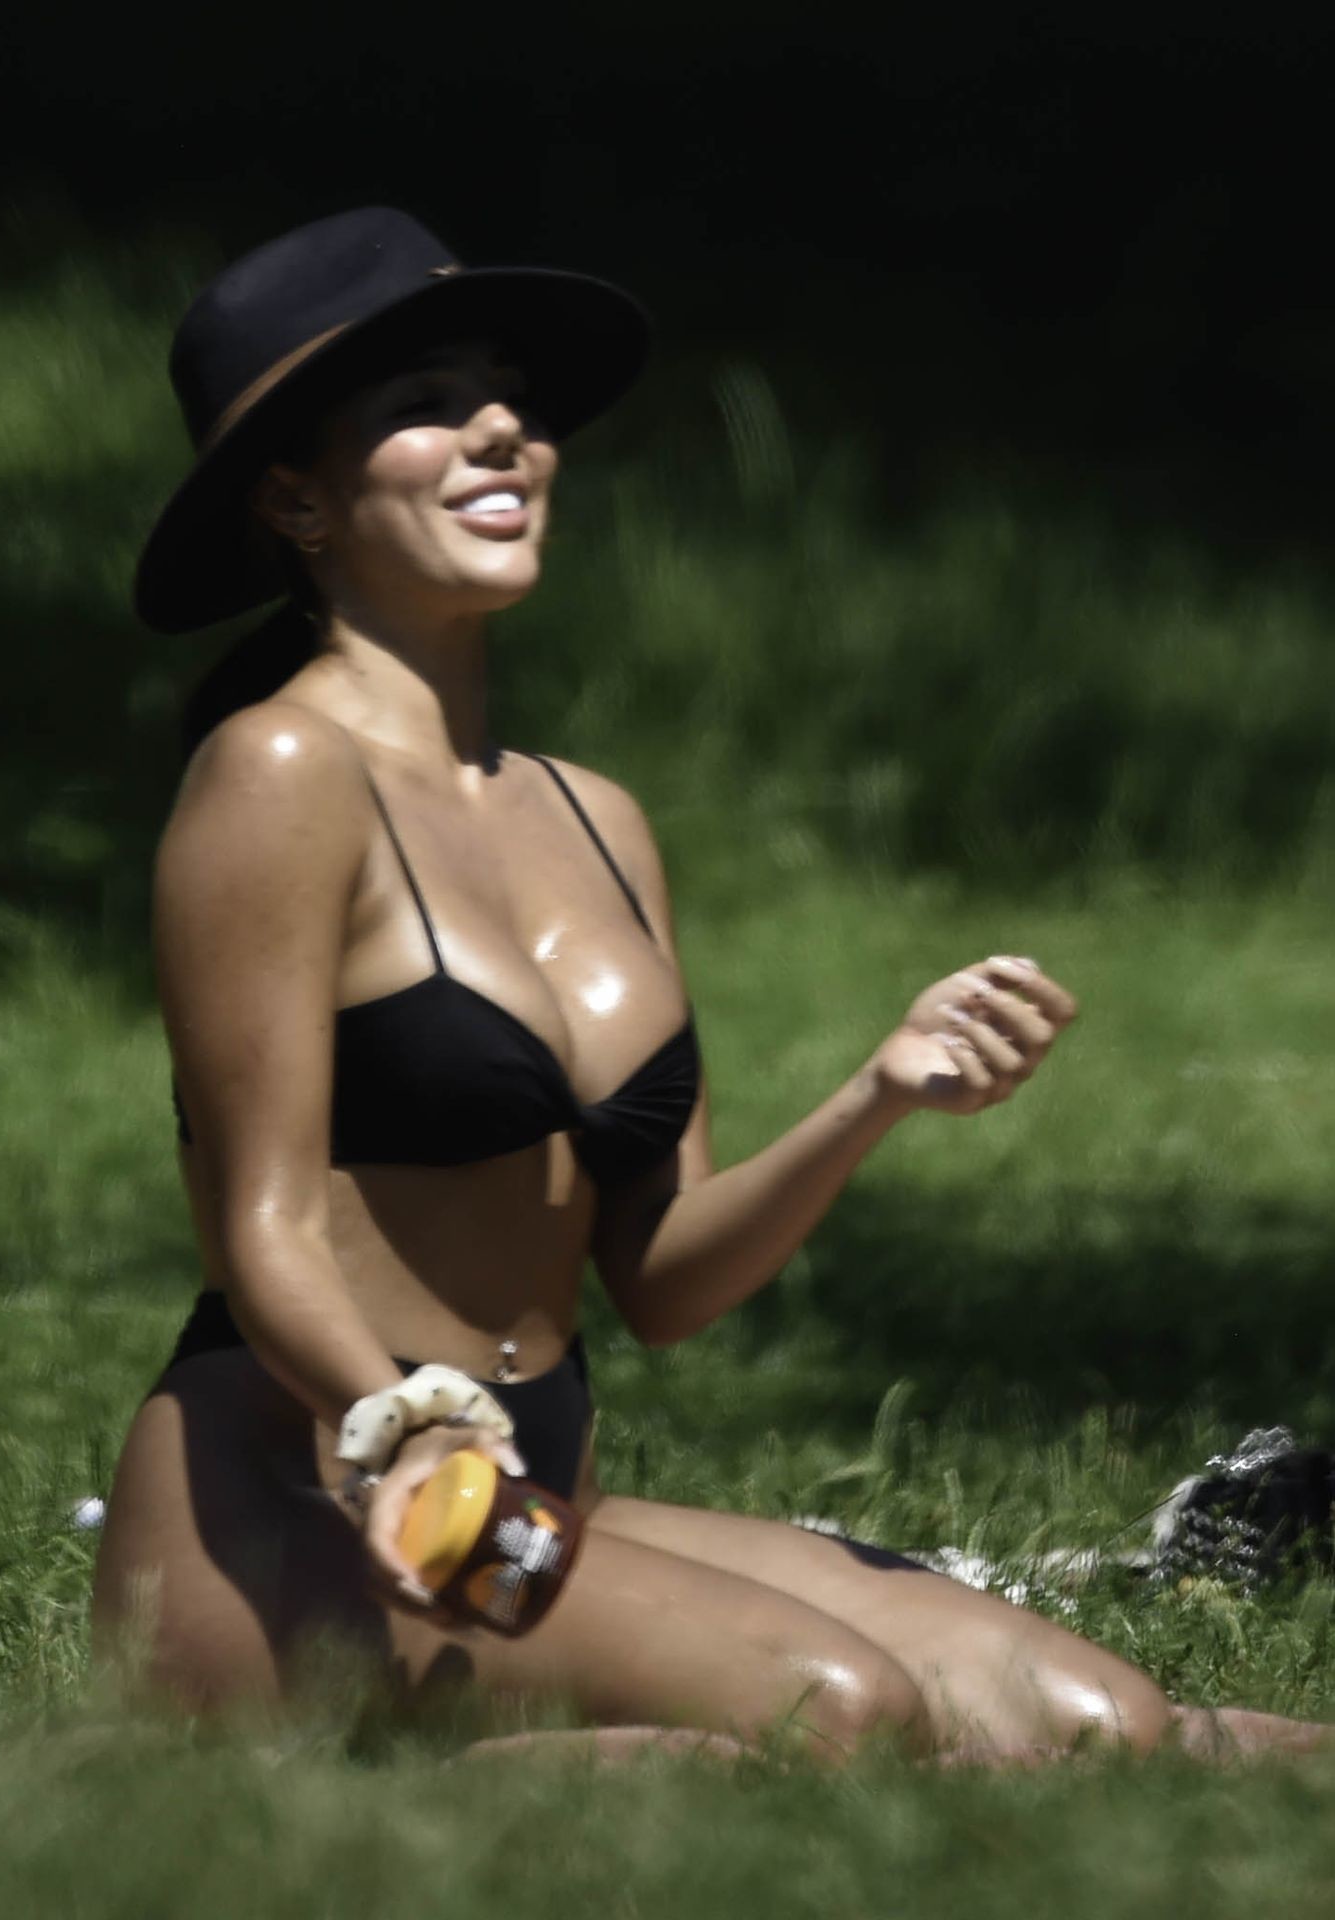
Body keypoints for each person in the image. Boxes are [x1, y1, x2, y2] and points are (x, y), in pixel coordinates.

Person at [90, 206, 1325, 1767]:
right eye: (425, 404)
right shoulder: (275, 770)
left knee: (1105, 1725)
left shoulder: (596, 821)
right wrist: (404, 1428)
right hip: (318, 1503)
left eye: (511, 399)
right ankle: (322, 1805)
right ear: (293, 497)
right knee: (839, 1714)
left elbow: (661, 1281)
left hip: (538, 1496)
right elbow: (258, 1228)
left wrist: (878, 1095)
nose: (501, 430)